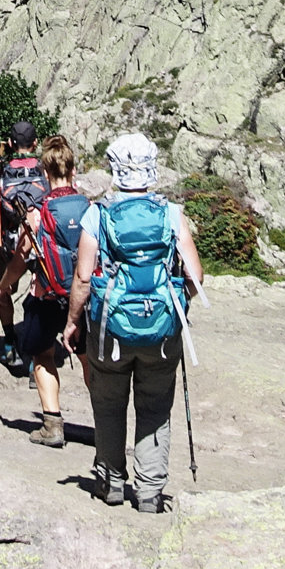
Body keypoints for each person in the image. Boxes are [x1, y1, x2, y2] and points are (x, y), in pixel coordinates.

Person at [61, 133, 203, 513]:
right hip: (162, 331)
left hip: (110, 330)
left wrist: (73, 323)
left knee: (108, 403)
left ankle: (111, 480)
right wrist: (173, 305)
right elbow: (196, 276)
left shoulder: (98, 215)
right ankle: (150, 492)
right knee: (155, 408)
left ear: (115, 169)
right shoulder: (170, 214)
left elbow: (83, 278)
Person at [13, 133, 90, 447]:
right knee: (88, 360)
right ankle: (107, 423)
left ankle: (52, 425)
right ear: (73, 172)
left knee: (42, 355)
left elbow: (21, 256)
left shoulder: (36, 212)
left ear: (45, 174)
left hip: (46, 295)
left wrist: (4, 284)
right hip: (82, 298)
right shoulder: (92, 210)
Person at [0, 120, 48, 374]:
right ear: (34, 143)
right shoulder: (45, 172)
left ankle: (10, 345)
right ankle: (37, 360)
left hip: (10, 246)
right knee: (39, 295)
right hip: (40, 246)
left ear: (9, 144)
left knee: (2, 291)